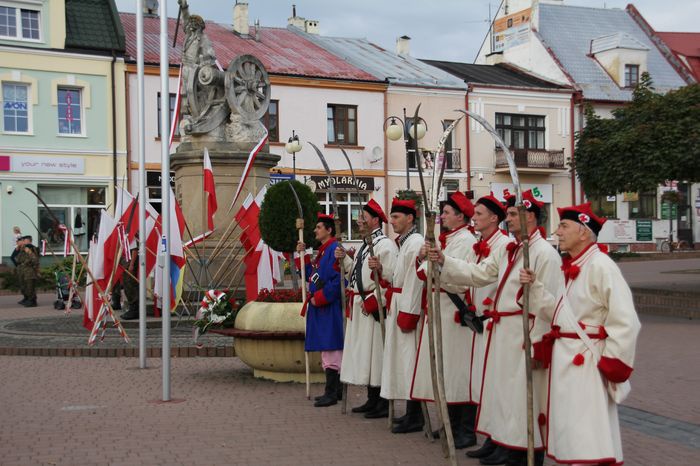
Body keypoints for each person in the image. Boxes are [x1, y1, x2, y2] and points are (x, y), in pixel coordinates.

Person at [428, 190, 562, 466]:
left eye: (513, 214)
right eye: (509, 213)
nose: (508, 218)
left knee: (525, 394)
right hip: (506, 332)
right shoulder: (514, 250)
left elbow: (549, 304)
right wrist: (444, 261)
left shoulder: (544, 254)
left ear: (531, 217)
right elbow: (480, 274)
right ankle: (509, 444)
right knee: (505, 393)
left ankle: (527, 451)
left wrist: (537, 342)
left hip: (523, 333)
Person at [523, 202, 640, 465]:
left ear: (584, 231)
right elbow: (561, 315)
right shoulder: (576, 266)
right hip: (569, 362)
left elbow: (626, 321)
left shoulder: (601, 266)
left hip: (586, 364)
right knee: (573, 430)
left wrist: (612, 360)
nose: (557, 232)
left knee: (587, 434)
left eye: (564, 226)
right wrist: (536, 287)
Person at [411, 192, 478, 446]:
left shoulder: (464, 240)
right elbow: (424, 271)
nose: (442, 217)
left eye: (447, 213)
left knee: (458, 371)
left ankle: (465, 430)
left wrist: (429, 263)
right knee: (445, 370)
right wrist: (423, 257)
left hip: (453, 310)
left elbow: (447, 273)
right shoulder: (449, 239)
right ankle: (450, 423)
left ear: (460, 216)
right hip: (441, 308)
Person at [336, 199, 397, 418]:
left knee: (377, 354)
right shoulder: (367, 243)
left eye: (363, 217)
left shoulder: (385, 245)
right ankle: (372, 398)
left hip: (373, 308)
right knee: (366, 355)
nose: (359, 221)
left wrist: (380, 271)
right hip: (361, 305)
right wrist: (344, 260)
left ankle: (381, 401)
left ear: (375, 220)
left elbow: (391, 276)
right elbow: (356, 274)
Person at [464, 194, 512, 463]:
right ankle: (492, 438)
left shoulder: (504, 245)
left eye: (479, 213)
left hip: (496, 322)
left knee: (497, 386)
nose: (475, 217)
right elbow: (474, 275)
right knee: (485, 385)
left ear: (494, 218)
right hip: (480, 321)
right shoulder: (481, 244)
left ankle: (501, 440)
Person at [375, 198, 424, 433]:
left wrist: (409, 313)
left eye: (396, 217)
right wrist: (381, 270)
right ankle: (410, 413)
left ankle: (416, 415)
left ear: (410, 218)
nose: (392, 221)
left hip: (407, 305)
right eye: (391, 217)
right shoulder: (404, 243)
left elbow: (415, 280)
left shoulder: (415, 243)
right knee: (402, 361)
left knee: (410, 361)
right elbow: (396, 274)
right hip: (399, 302)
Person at [296, 213, 344, 407]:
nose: (315, 230)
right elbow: (312, 276)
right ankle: (335, 391)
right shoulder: (323, 251)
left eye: (319, 227)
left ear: (329, 230)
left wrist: (319, 298)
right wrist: (303, 256)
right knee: (328, 348)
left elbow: (339, 281)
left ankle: (332, 392)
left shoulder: (334, 249)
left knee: (332, 348)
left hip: (328, 307)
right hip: (320, 307)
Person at [16, 235, 40, 307]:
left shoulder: (32, 248)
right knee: (24, 286)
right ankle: (26, 298)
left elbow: (35, 260)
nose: (23, 241)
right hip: (23, 270)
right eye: (22, 240)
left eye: (24, 240)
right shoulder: (23, 248)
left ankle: (32, 301)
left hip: (29, 271)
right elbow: (18, 259)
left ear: (28, 240)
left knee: (30, 287)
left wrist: (29, 252)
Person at [119, 241, 140, 321]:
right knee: (127, 286)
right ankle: (132, 308)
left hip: (129, 265)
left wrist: (131, 264)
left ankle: (134, 309)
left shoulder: (130, 233)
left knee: (131, 286)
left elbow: (134, 250)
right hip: (125, 264)